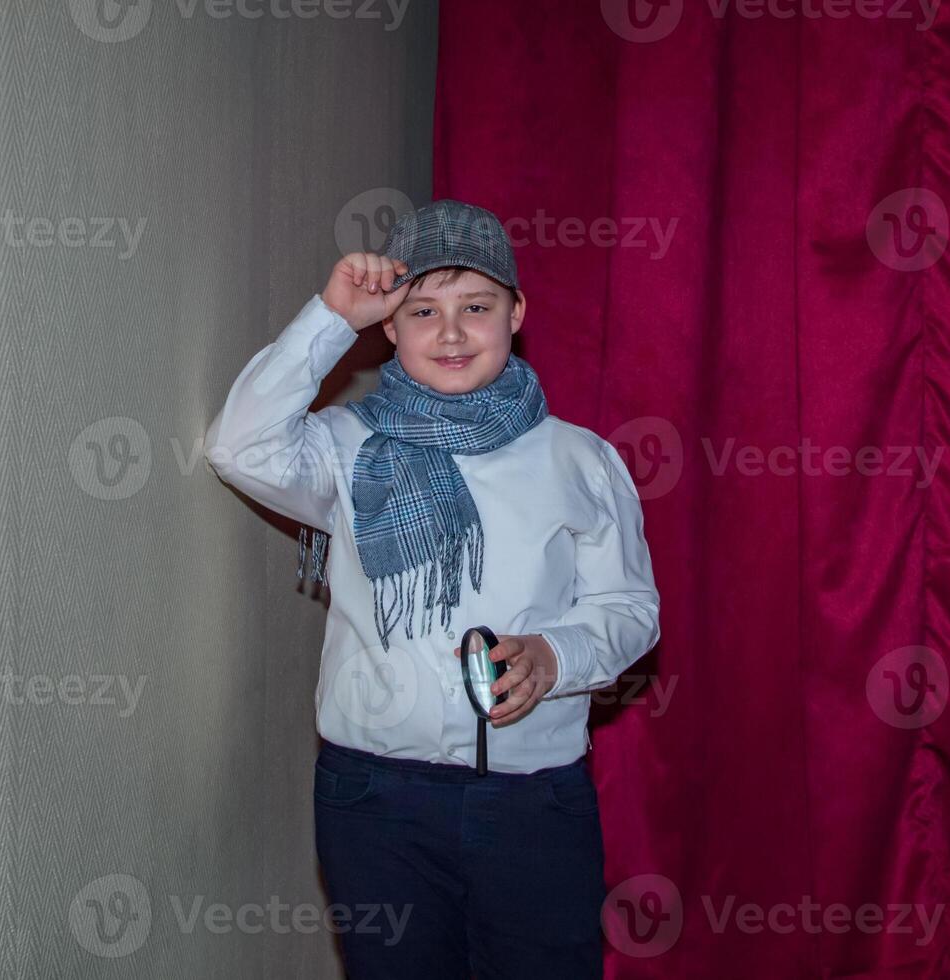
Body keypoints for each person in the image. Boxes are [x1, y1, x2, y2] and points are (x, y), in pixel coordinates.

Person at [203, 198, 661, 978]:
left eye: (476, 307)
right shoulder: (344, 446)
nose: (450, 333)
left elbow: (629, 611)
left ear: (517, 313)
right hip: (374, 800)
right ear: (390, 327)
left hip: (534, 802)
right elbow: (238, 446)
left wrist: (553, 657)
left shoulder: (580, 459)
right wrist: (329, 317)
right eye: (423, 311)